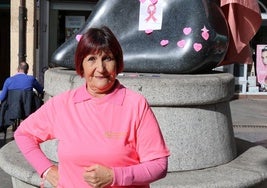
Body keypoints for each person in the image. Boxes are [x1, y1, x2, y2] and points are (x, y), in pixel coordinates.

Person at [14, 26, 170, 188]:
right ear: (81, 65)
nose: (100, 69)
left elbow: (158, 165)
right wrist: (47, 170)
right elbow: (24, 134)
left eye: (107, 58)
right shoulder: (63, 104)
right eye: (91, 59)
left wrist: (114, 176)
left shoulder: (135, 105)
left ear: (118, 63)